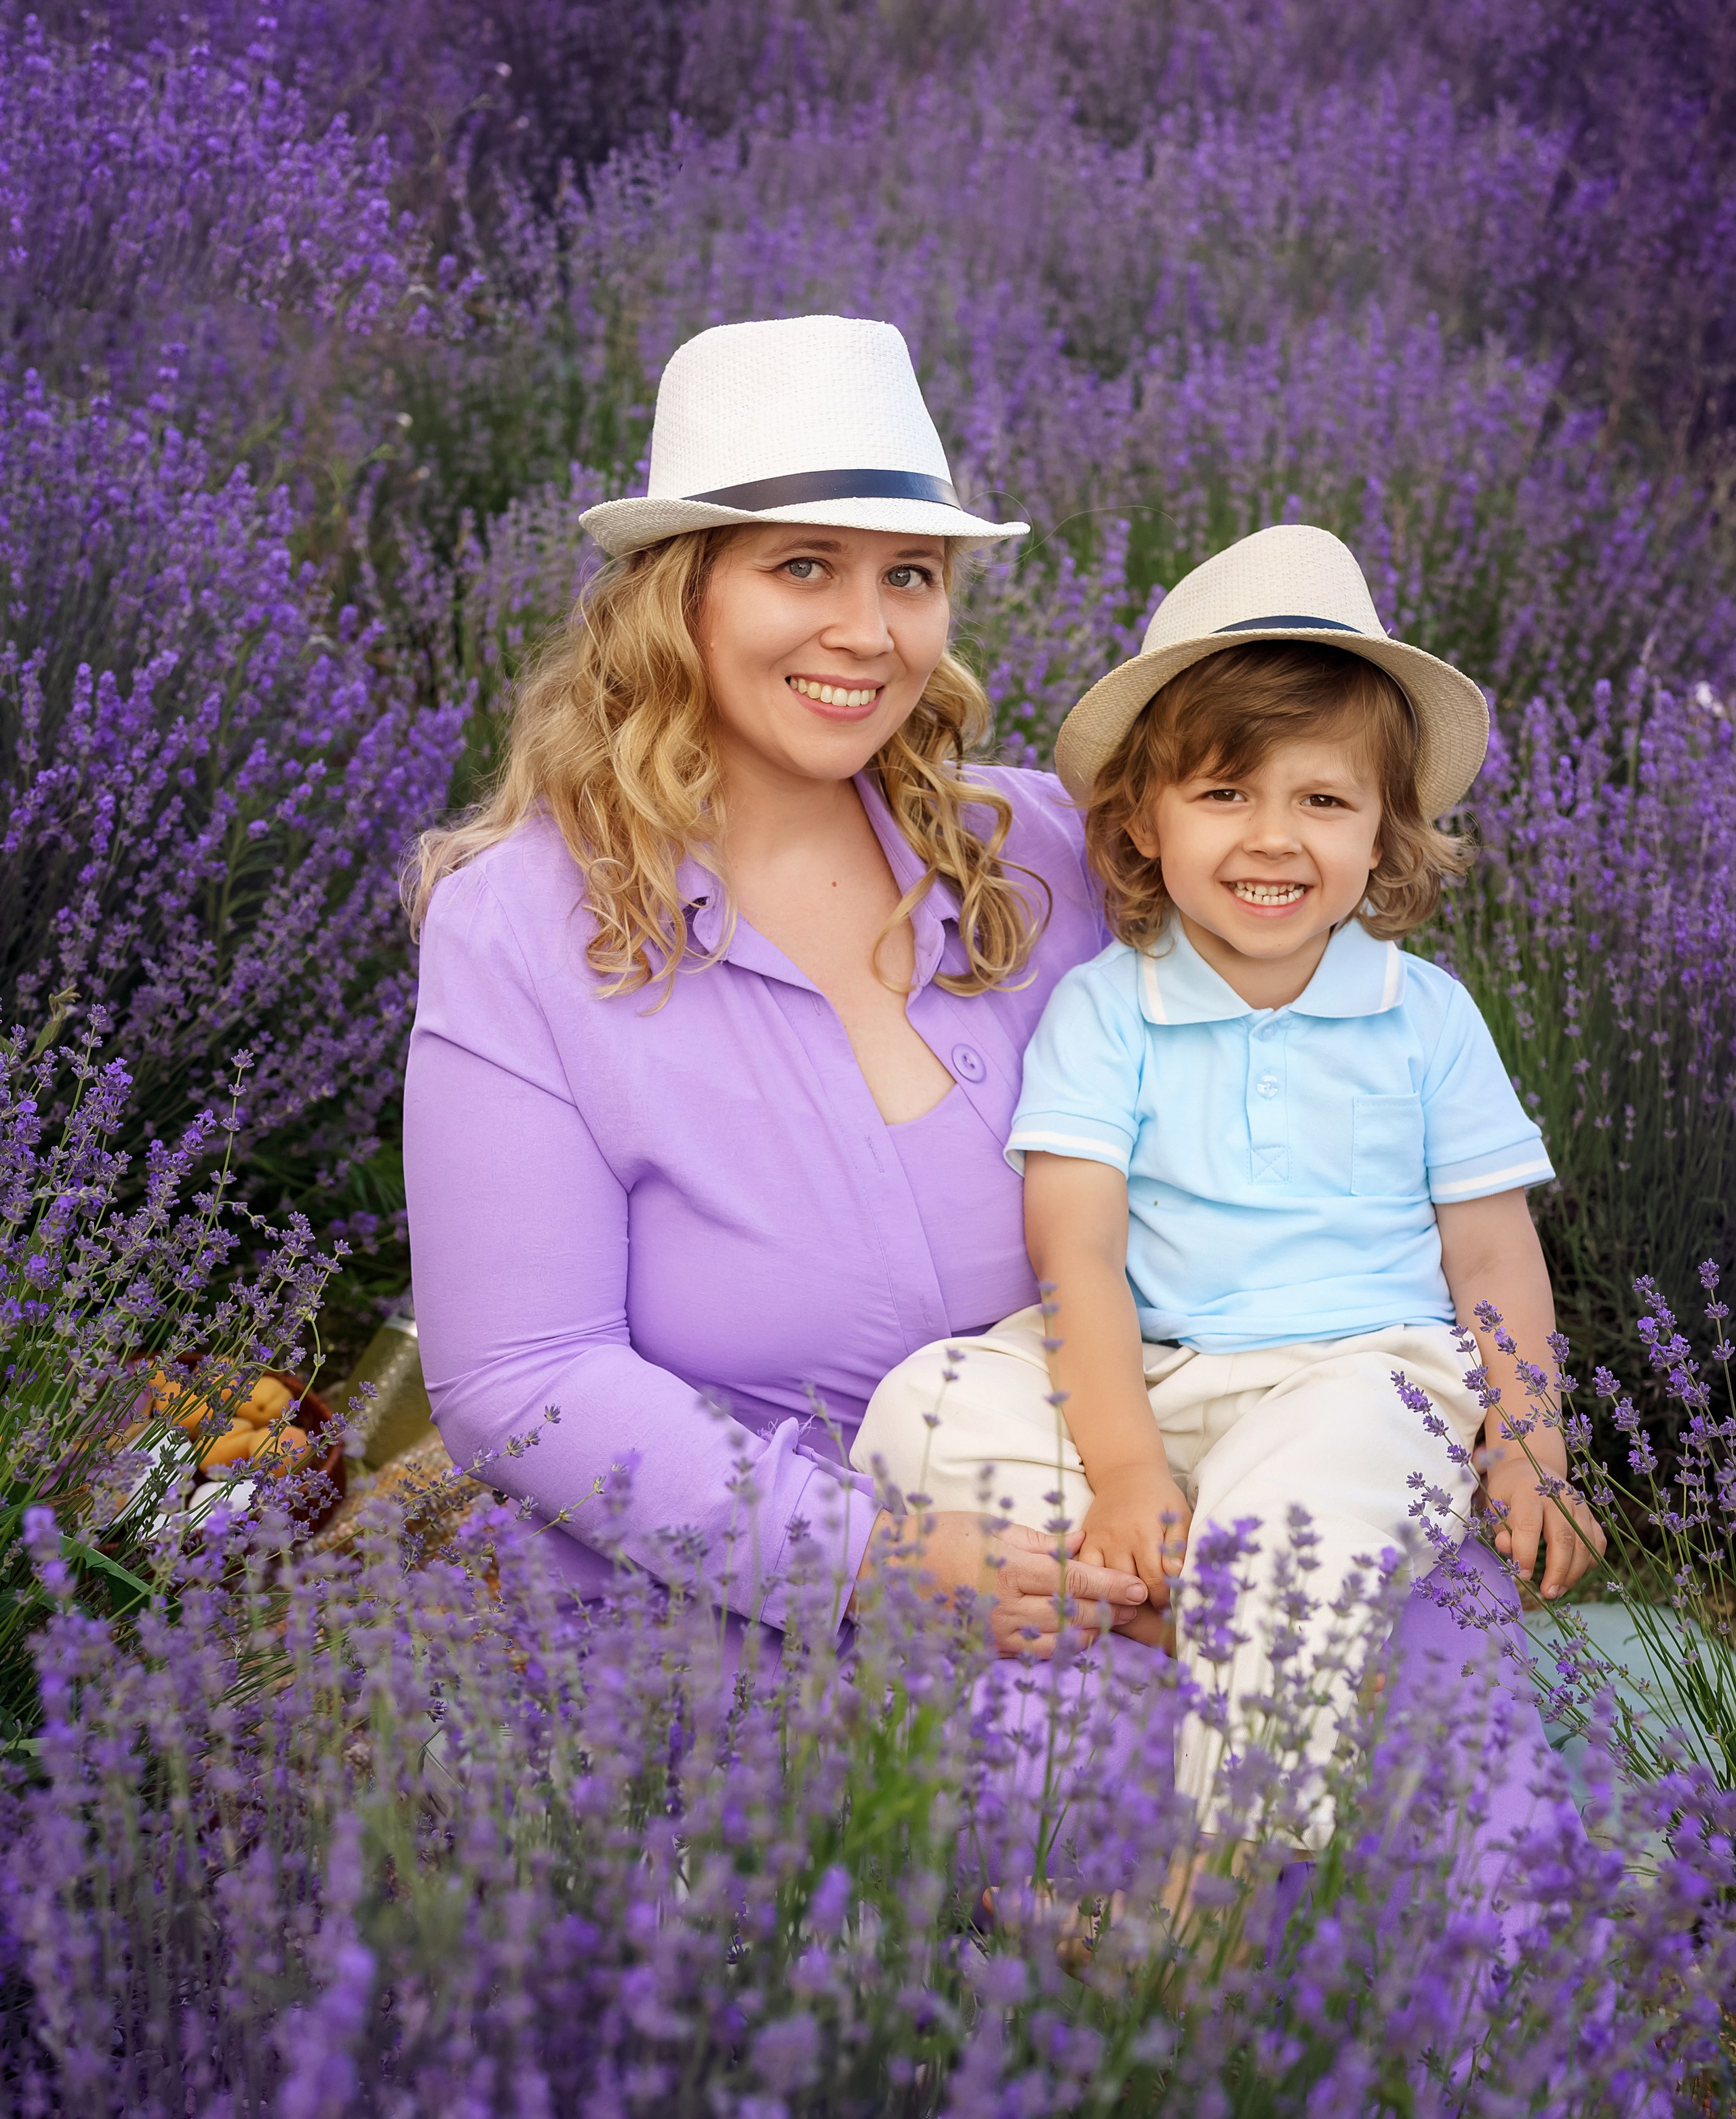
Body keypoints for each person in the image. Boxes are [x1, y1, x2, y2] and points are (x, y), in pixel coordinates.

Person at [402, 312, 1153, 1663]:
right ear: (676, 594)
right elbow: (520, 1379)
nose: (867, 634)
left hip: (1119, 1540)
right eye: (803, 567)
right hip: (741, 1625)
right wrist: (872, 1561)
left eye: (910, 576)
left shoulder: (1040, 850)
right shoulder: (519, 926)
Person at [851, 523, 1604, 1803]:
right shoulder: (1109, 1007)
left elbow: (1490, 1247)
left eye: (1323, 800)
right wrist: (1132, 1461)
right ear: (1143, 823)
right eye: (1224, 794)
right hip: (1150, 1371)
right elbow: (1075, 1248)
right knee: (926, 1402)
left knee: (1304, 1511)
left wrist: (1531, 1445)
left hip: (1359, 1377)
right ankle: (1181, 1607)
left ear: (1384, 832)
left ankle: (1234, 1870)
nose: (1273, 839)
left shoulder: (1424, 1016)